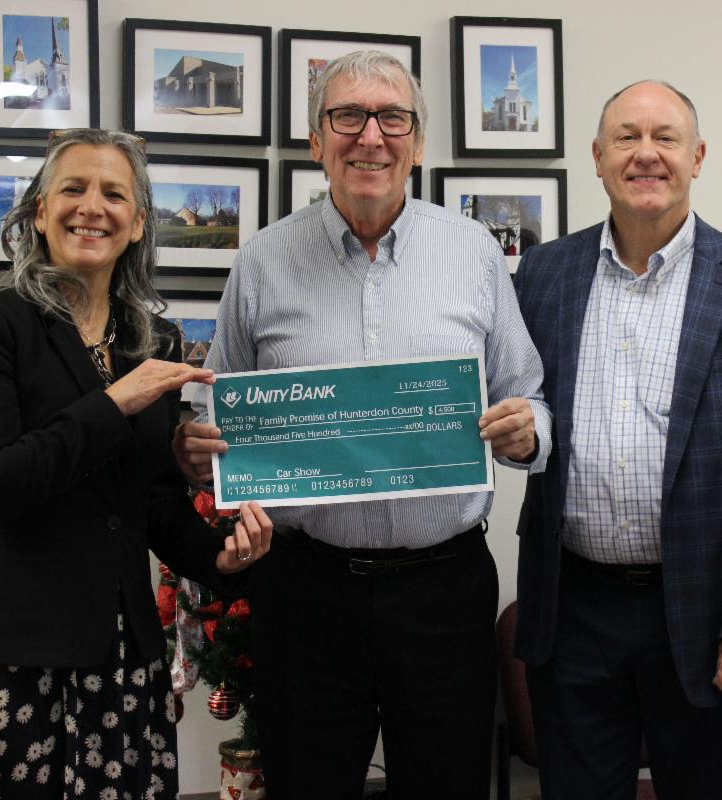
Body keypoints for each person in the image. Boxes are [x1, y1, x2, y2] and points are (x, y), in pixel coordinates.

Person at [172, 51, 550, 799]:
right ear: (317, 140)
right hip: (305, 590)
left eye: (392, 118)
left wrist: (526, 430)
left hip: (443, 590)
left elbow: (527, 394)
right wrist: (197, 447)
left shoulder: (474, 253)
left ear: (417, 141)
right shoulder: (263, 260)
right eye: (348, 116)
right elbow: (213, 408)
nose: (370, 136)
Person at [0, 128, 274, 800]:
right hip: (9, 653)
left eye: (114, 194)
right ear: (40, 212)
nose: (93, 206)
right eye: (73, 189)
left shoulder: (154, 341)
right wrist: (115, 403)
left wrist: (220, 558)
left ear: (138, 222)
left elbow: (153, 505)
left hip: (124, 658)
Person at [512, 80, 722, 799]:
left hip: (708, 612)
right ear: (597, 157)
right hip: (574, 607)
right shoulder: (544, 274)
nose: (645, 154)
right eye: (627, 137)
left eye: (665, 137)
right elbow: (526, 408)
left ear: (697, 157)